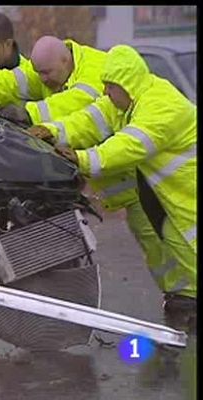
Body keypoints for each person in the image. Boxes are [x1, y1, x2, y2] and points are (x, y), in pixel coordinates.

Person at [34, 45, 196, 320]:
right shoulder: (122, 102)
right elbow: (86, 121)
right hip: (160, 190)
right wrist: (51, 131)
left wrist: (82, 159)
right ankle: (185, 296)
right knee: (163, 240)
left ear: (127, 84)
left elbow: (129, 145)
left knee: (187, 240)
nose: (106, 92)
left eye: (110, 86)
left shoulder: (161, 104)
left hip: (187, 190)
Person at [0, 36, 107, 126]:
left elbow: (76, 103)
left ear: (65, 61)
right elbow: (10, 82)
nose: (42, 79)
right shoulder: (50, 63)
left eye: (46, 73)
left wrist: (29, 113)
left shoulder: (95, 69)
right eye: (39, 73)